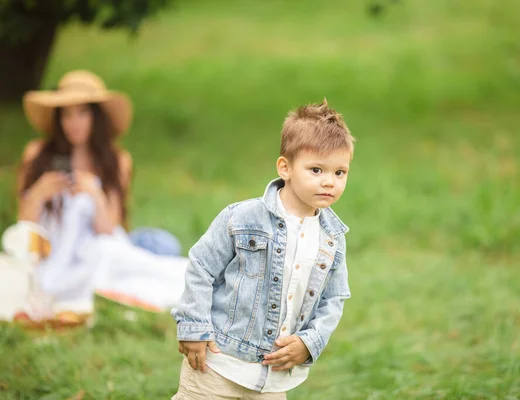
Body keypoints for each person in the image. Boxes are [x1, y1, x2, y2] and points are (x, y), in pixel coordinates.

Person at [171, 99, 355, 399]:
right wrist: (193, 327)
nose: (329, 182)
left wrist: (310, 342)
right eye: (317, 169)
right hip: (217, 366)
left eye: (340, 173)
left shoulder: (331, 237)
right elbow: (201, 267)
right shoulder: (242, 218)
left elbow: (334, 298)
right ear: (286, 167)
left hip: (272, 379)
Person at [11, 70, 188, 327]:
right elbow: (24, 229)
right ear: (58, 118)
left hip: (98, 246)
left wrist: (93, 192)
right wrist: (39, 194)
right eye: (67, 114)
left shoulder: (116, 160)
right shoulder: (37, 155)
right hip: (52, 250)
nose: (75, 123)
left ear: (97, 117)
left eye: (83, 113)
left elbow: (108, 228)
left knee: (154, 255)